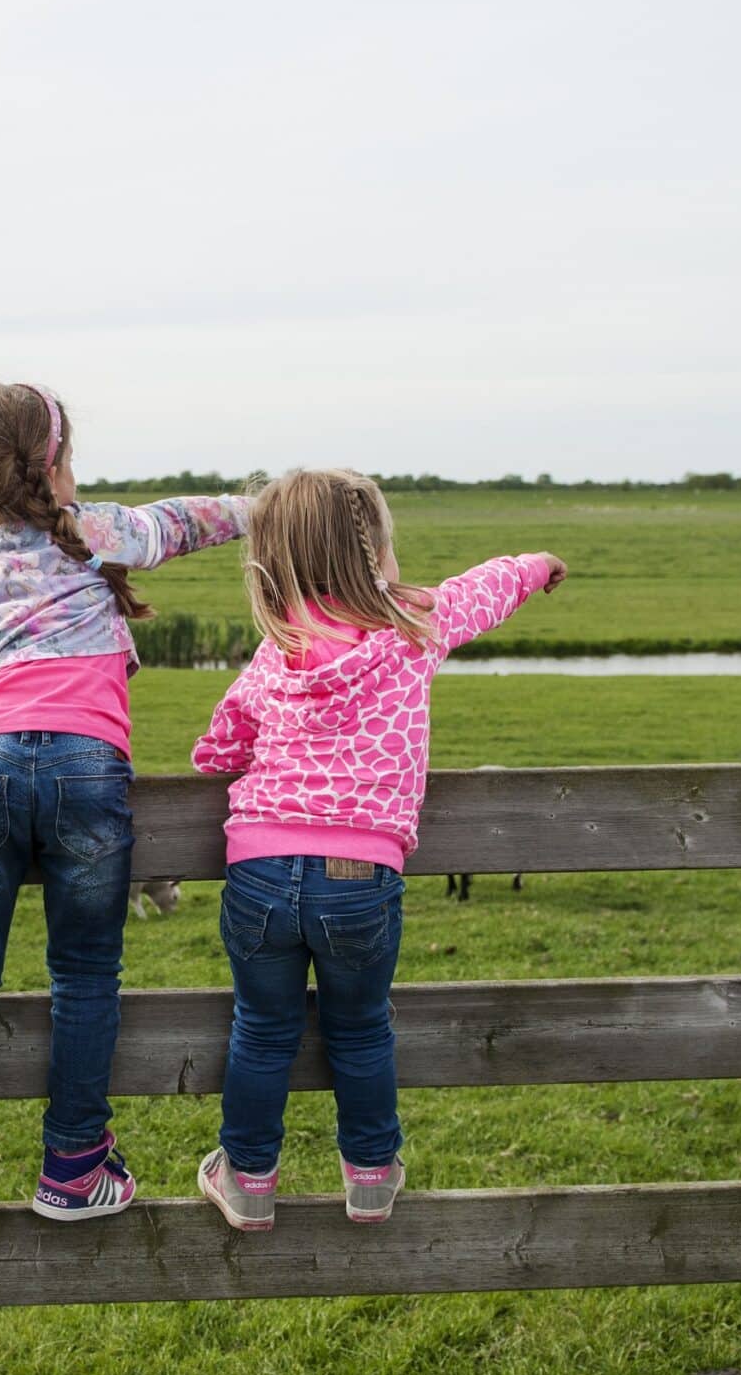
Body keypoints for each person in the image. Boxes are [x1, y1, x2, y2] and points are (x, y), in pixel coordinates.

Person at [0, 382, 251, 1220]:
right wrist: (261, 507)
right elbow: (184, 522)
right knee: (86, 975)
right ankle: (74, 1169)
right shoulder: (99, 531)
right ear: (58, 463)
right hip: (89, 769)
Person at [190, 468, 564, 1229]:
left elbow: (220, 743)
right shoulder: (413, 628)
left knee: (262, 1029)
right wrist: (538, 565)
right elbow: (482, 589)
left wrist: (224, 758)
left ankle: (249, 1180)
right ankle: (369, 1175)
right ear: (376, 550)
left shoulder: (279, 649)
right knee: (360, 1027)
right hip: (361, 873)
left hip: (259, 867)